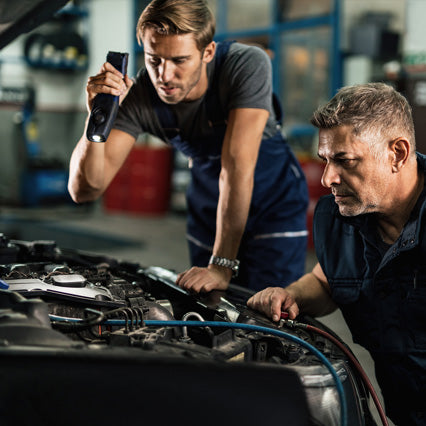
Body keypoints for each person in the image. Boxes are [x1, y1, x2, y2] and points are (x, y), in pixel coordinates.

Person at [68, 0, 308, 293]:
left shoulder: (245, 64)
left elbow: (236, 166)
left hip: (272, 201)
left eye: (179, 60)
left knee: (270, 304)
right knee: (210, 306)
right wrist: (96, 117)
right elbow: (85, 190)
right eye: (154, 59)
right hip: (209, 200)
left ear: (208, 52)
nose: (164, 76)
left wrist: (221, 265)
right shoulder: (140, 95)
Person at [247, 82, 426, 426]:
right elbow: (329, 281)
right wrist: (291, 294)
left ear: (398, 154)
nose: (328, 177)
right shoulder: (340, 217)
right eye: (326, 160)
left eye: (345, 160)